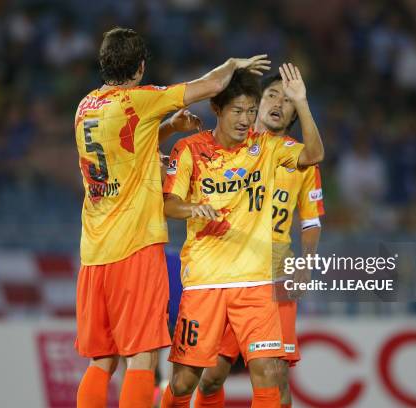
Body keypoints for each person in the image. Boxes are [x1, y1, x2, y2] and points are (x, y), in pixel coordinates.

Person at [74, 26, 270, 408]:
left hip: (93, 251)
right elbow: (211, 85)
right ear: (141, 67)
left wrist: (168, 129)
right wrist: (232, 64)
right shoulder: (141, 99)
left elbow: (123, 150)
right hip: (134, 246)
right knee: (142, 356)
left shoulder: (85, 106)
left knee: (102, 359)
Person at [160, 64, 324, 408]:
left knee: (270, 374)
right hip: (206, 281)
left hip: (260, 281)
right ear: (217, 109)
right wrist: (193, 208)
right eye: (238, 110)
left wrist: (303, 102)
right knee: (186, 381)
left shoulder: (267, 148)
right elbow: (168, 204)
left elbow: (314, 155)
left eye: (251, 111)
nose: (246, 120)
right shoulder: (189, 149)